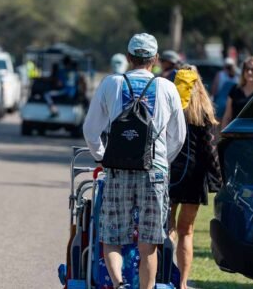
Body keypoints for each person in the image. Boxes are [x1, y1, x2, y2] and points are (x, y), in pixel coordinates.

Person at [83, 33, 186, 289]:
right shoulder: (167, 88)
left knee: (112, 236)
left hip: (118, 170)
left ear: (129, 57)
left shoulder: (111, 84)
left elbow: (90, 129)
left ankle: (119, 285)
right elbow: (178, 136)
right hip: (155, 172)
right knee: (149, 243)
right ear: (156, 59)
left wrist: (102, 157)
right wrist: (163, 161)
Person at [169, 65, 222, 289]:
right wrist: (218, 178)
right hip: (194, 175)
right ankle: (182, 283)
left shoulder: (170, 107)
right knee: (187, 231)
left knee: (167, 227)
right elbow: (210, 149)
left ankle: (163, 276)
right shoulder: (203, 111)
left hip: (171, 171)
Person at [220, 56, 253, 129]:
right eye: (247, 69)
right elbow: (227, 116)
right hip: (235, 134)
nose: (249, 72)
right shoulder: (235, 89)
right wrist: (223, 135)